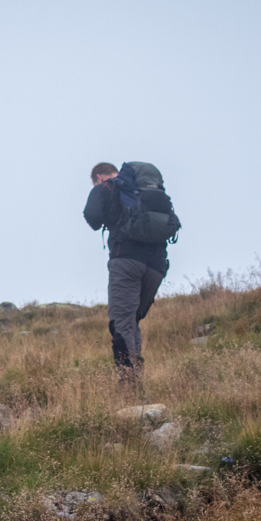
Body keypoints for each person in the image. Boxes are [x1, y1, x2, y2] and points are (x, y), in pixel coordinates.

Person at [83, 161, 174, 388]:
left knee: (121, 323)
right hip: (157, 266)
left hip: (126, 261)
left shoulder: (106, 187)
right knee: (131, 321)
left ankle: (129, 384)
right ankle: (135, 378)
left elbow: (92, 217)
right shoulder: (145, 191)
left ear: (99, 177)